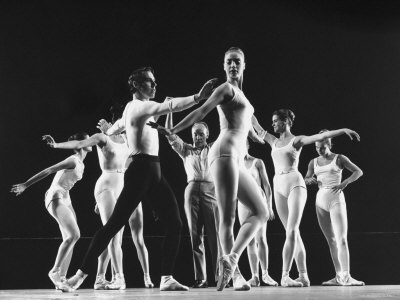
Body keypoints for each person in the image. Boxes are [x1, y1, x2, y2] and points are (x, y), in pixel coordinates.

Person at [59, 67, 217, 292]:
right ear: (137, 85)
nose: (155, 86)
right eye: (150, 82)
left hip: (155, 171)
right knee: (113, 225)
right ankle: (79, 276)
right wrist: (198, 97)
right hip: (141, 170)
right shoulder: (141, 107)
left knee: (175, 223)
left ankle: (166, 277)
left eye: (154, 82)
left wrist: (109, 129)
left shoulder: (131, 111)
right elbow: (170, 105)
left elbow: (118, 127)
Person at [149, 47, 268, 292]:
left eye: (237, 62)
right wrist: (174, 130)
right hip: (223, 153)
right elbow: (202, 110)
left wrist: (260, 137)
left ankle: (231, 259)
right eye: (229, 62)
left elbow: (251, 129)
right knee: (227, 218)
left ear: (244, 65)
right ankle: (236, 277)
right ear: (224, 66)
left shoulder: (245, 98)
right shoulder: (226, 89)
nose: (233, 66)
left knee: (261, 211)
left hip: (237, 156)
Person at [42, 104, 154, 290]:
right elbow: (79, 144)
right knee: (112, 234)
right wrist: (56, 145)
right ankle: (119, 277)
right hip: (107, 185)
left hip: (123, 185)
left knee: (114, 235)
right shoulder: (103, 137)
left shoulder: (128, 140)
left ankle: (100, 278)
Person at [254, 108, 360, 287]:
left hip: (295, 183)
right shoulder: (272, 141)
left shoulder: (297, 140)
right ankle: (303, 275)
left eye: (275, 121)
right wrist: (238, 96)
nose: (272, 124)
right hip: (278, 185)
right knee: (292, 233)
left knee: (292, 230)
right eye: (272, 122)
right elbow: (254, 124)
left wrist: (342, 131)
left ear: (286, 121)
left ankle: (285, 275)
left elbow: (318, 137)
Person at [10, 132, 91, 289]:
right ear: (78, 143)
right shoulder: (73, 159)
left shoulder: (81, 163)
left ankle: (61, 279)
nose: (91, 142)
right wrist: (26, 184)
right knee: (75, 235)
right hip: (56, 195)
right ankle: (55, 271)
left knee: (71, 239)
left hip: (66, 197)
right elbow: (49, 170)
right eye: (87, 139)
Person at [163, 111, 219, 288]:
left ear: (207, 135)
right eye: (195, 133)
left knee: (215, 235)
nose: (198, 136)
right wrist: (169, 110)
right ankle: (201, 278)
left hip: (211, 189)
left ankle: (220, 276)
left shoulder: (214, 148)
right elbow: (169, 133)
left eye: (201, 133)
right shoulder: (186, 149)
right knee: (195, 236)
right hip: (192, 189)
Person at [304, 130, 364, 286]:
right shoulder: (313, 162)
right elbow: (306, 177)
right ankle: (339, 276)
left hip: (336, 199)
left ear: (329, 144)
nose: (320, 150)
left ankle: (347, 275)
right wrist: (309, 180)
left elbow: (358, 171)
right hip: (320, 201)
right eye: (317, 147)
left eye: (323, 147)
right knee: (331, 241)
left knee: (341, 239)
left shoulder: (339, 158)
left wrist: (345, 182)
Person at [237, 140, 278, 287]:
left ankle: (265, 274)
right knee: (249, 240)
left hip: (258, 200)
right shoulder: (236, 165)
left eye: (243, 144)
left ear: (247, 145)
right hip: (242, 203)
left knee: (261, 238)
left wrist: (269, 205)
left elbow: (267, 186)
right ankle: (254, 276)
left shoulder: (258, 162)